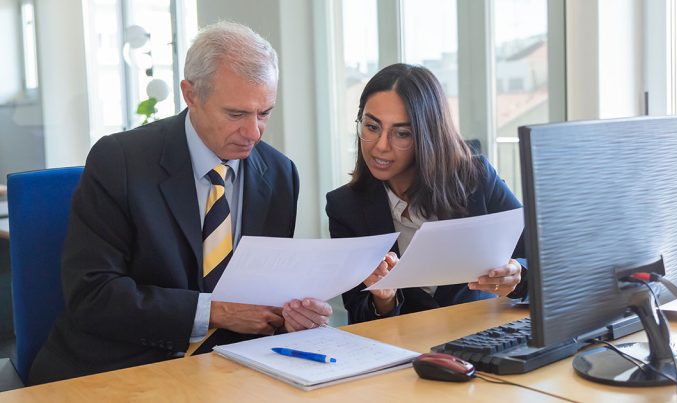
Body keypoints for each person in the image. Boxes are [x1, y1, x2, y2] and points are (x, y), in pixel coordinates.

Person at [29, 21, 331, 384]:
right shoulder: (120, 161)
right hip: (121, 367)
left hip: (232, 370)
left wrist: (293, 314)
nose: (253, 132)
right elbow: (93, 295)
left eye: (264, 113)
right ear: (190, 94)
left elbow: (264, 289)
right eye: (236, 114)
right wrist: (214, 312)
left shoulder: (279, 174)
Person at [326, 63, 526, 325]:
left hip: (481, 339)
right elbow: (358, 313)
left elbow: (540, 259)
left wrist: (517, 274)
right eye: (372, 127)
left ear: (428, 135)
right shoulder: (345, 206)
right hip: (403, 352)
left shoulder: (477, 179)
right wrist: (384, 300)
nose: (380, 147)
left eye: (402, 133)